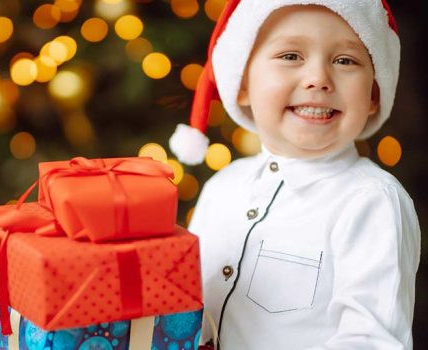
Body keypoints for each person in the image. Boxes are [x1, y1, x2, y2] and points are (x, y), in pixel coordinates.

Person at [169, 0, 421, 349]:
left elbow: (370, 341)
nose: (318, 79)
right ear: (242, 82)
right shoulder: (222, 187)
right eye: (290, 56)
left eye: (345, 61)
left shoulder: (371, 202)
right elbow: (186, 306)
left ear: (374, 94)